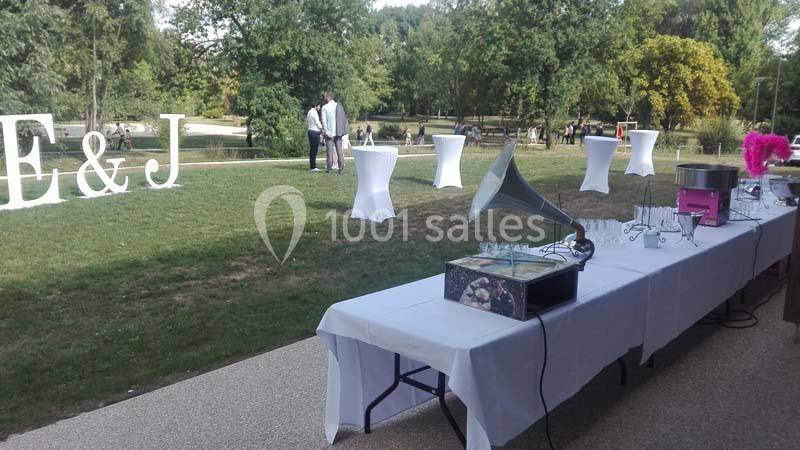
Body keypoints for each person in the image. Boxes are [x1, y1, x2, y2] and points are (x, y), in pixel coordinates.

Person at [320, 90, 346, 174]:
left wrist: (327, 132)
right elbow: (343, 120)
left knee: (329, 152)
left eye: (325, 96)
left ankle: (329, 169)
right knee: (339, 151)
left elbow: (324, 121)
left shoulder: (324, 107)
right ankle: (341, 169)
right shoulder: (339, 106)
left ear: (328, 97)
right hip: (338, 132)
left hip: (329, 133)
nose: (324, 98)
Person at [306, 101, 323, 172]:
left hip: (310, 131)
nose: (319, 108)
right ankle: (313, 167)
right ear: (316, 106)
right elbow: (317, 122)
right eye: (319, 106)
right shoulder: (314, 112)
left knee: (312, 149)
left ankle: (312, 166)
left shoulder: (309, 112)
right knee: (314, 150)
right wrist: (322, 129)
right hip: (315, 132)